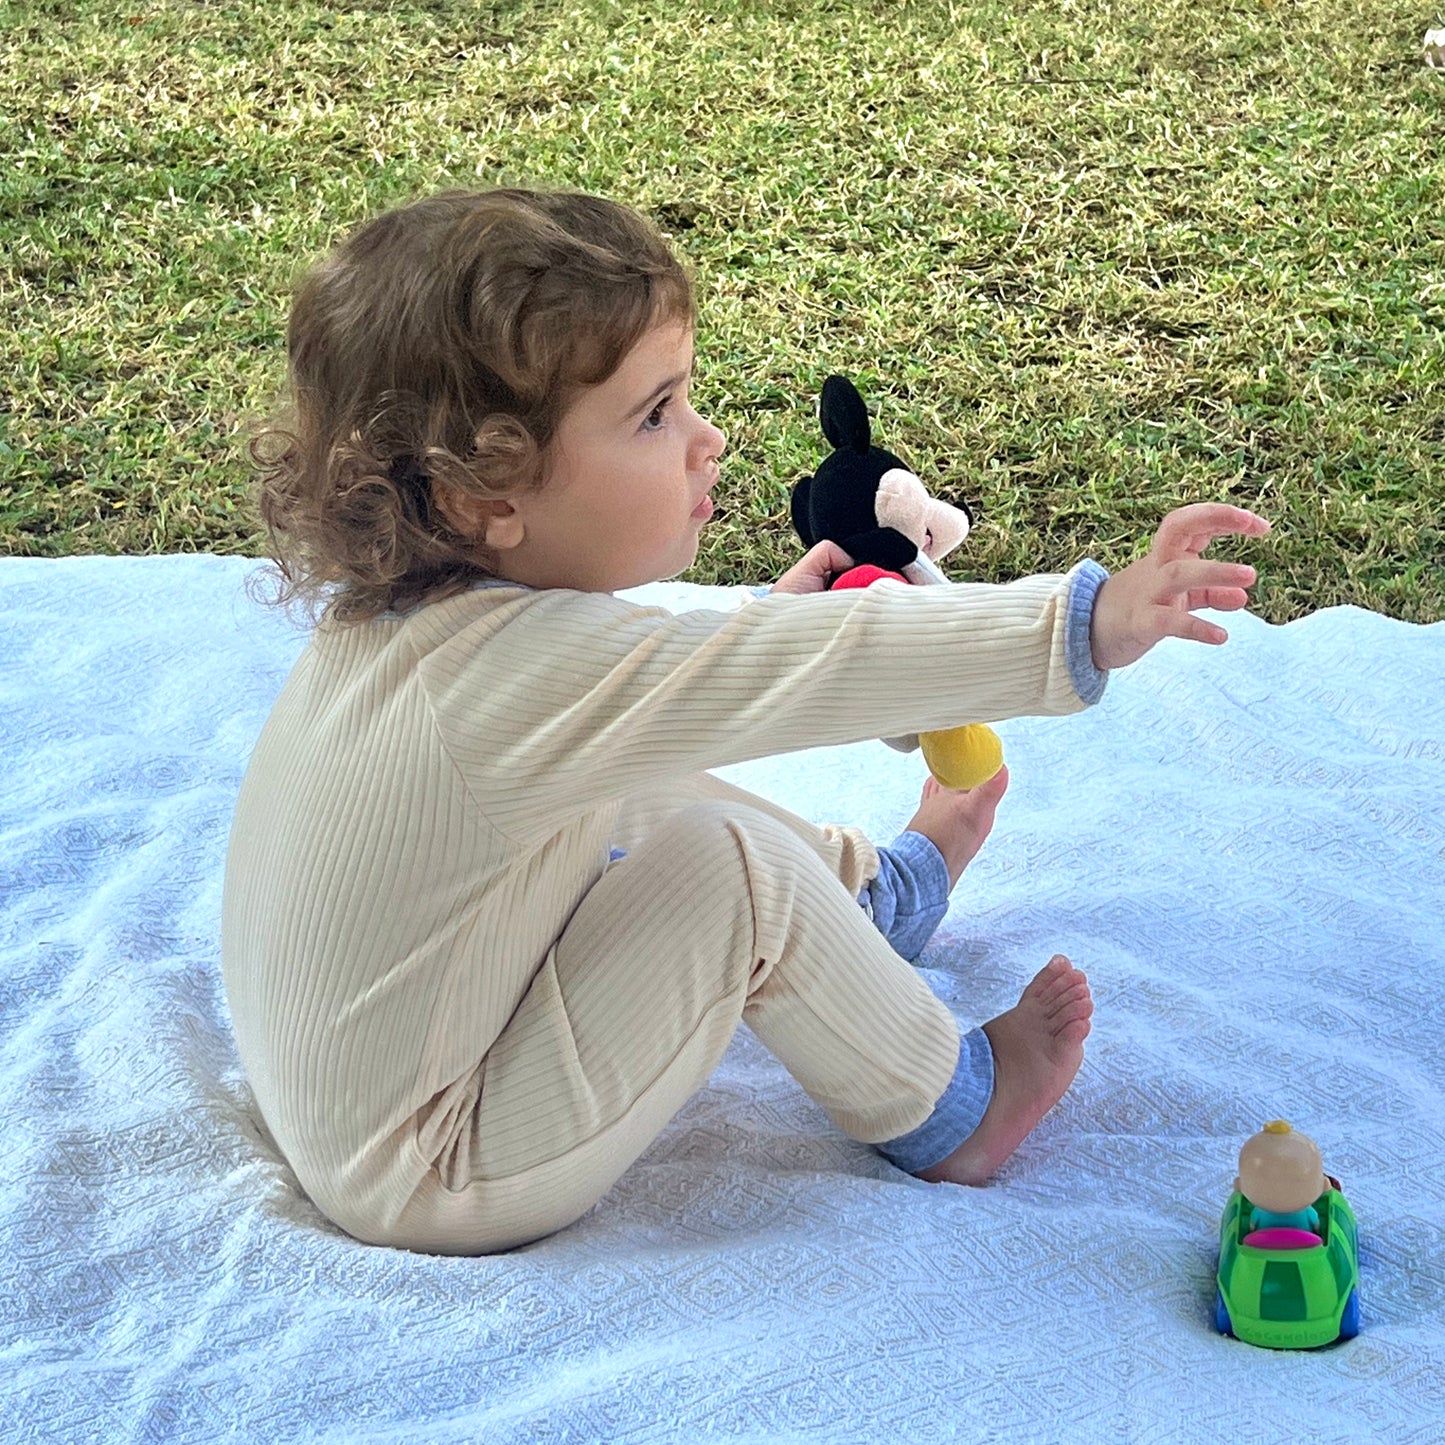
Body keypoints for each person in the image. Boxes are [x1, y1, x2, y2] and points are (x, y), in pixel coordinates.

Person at [221, 188, 1269, 1254]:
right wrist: (1085, 622)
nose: (706, 438)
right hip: (433, 1164)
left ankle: (870, 901)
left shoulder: (410, 628)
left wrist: (765, 622)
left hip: (353, 1102)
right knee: (727, 869)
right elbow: (822, 670)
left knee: (633, 774)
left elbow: (648, 698)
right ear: (483, 496)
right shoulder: (519, 676)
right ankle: (956, 1105)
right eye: (653, 414)